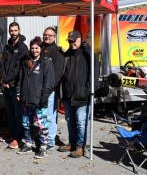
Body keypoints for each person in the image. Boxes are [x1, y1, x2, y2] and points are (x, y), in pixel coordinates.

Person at [58, 30, 100, 158]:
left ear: (80, 39)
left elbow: (95, 75)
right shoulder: (67, 54)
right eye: (69, 41)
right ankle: (72, 143)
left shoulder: (88, 54)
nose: (71, 43)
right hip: (68, 95)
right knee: (70, 121)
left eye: (74, 40)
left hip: (82, 95)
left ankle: (80, 147)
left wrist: (88, 91)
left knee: (81, 122)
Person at [16, 37, 55, 158]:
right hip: (26, 99)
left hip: (39, 99)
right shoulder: (26, 61)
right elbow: (20, 79)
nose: (34, 50)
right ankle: (28, 143)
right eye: (32, 48)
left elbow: (49, 82)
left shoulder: (46, 61)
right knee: (26, 123)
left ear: (41, 49)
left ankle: (43, 147)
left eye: (37, 48)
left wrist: (44, 97)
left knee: (42, 124)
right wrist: (18, 93)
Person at [0, 22, 29, 149]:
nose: (13, 33)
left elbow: (18, 69)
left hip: (16, 86)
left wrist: (6, 79)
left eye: (15, 30)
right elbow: (2, 64)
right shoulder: (7, 47)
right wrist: (2, 79)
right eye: (11, 30)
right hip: (6, 86)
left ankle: (18, 137)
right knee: (9, 113)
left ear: (19, 31)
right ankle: (12, 134)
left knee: (18, 114)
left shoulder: (23, 48)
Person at [42, 27, 64, 151]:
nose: (47, 37)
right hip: (40, 89)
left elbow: (58, 73)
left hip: (50, 90)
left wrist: (50, 89)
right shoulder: (41, 48)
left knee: (50, 116)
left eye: (50, 35)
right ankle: (44, 138)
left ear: (54, 37)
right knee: (43, 116)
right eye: (45, 35)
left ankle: (50, 141)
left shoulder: (57, 51)